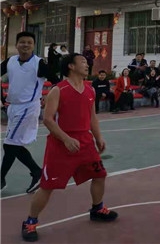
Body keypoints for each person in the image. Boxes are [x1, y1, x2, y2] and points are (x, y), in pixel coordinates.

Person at [20, 53, 118, 242]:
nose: (87, 65)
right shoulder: (58, 90)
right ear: (71, 66)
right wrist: (65, 139)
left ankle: (97, 209)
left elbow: (92, 117)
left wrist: (98, 137)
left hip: (85, 143)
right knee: (47, 186)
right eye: (83, 62)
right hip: (60, 145)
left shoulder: (90, 90)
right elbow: (48, 120)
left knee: (100, 175)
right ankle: (30, 222)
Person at [1, 32, 58, 193]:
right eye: (22, 42)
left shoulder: (38, 63)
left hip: (28, 107)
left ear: (33, 45)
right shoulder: (11, 61)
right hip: (13, 107)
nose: (25, 45)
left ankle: (1, 178)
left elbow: (56, 81)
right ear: (17, 44)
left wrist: (49, 97)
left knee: (10, 144)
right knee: (13, 145)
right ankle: (37, 172)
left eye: (29, 42)